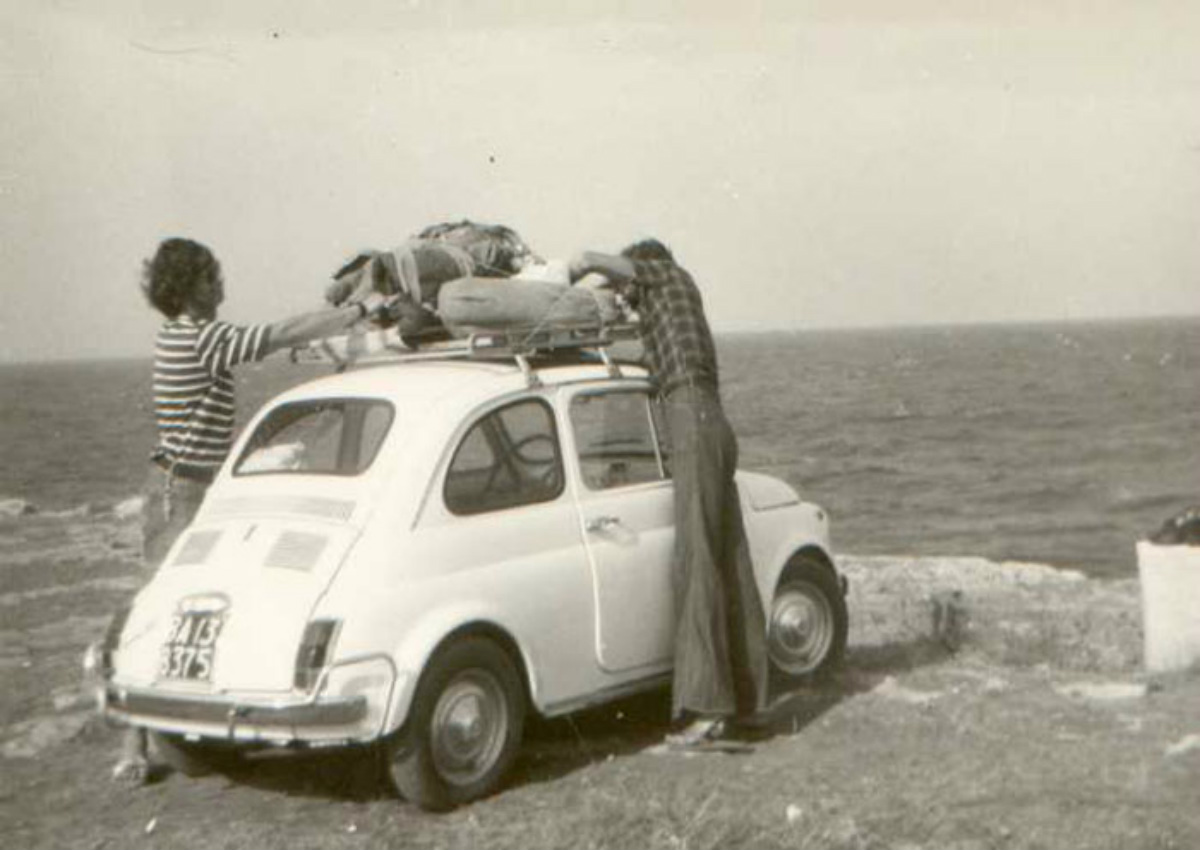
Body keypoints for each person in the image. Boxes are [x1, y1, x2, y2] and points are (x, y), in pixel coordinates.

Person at [111, 237, 387, 784]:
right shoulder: (202, 338)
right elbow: (276, 335)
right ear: (188, 288)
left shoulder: (179, 335)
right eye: (212, 278)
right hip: (181, 492)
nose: (221, 287)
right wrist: (354, 313)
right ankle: (131, 742)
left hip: (195, 486)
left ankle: (177, 723)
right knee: (156, 605)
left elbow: (269, 343)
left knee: (197, 604)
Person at [568, 239, 768, 749]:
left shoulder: (667, 276)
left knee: (696, 561)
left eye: (627, 290)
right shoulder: (674, 312)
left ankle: (707, 710)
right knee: (728, 559)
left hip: (692, 419)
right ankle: (747, 701)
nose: (626, 297)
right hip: (711, 420)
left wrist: (585, 264)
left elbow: (614, 265)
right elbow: (642, 351)